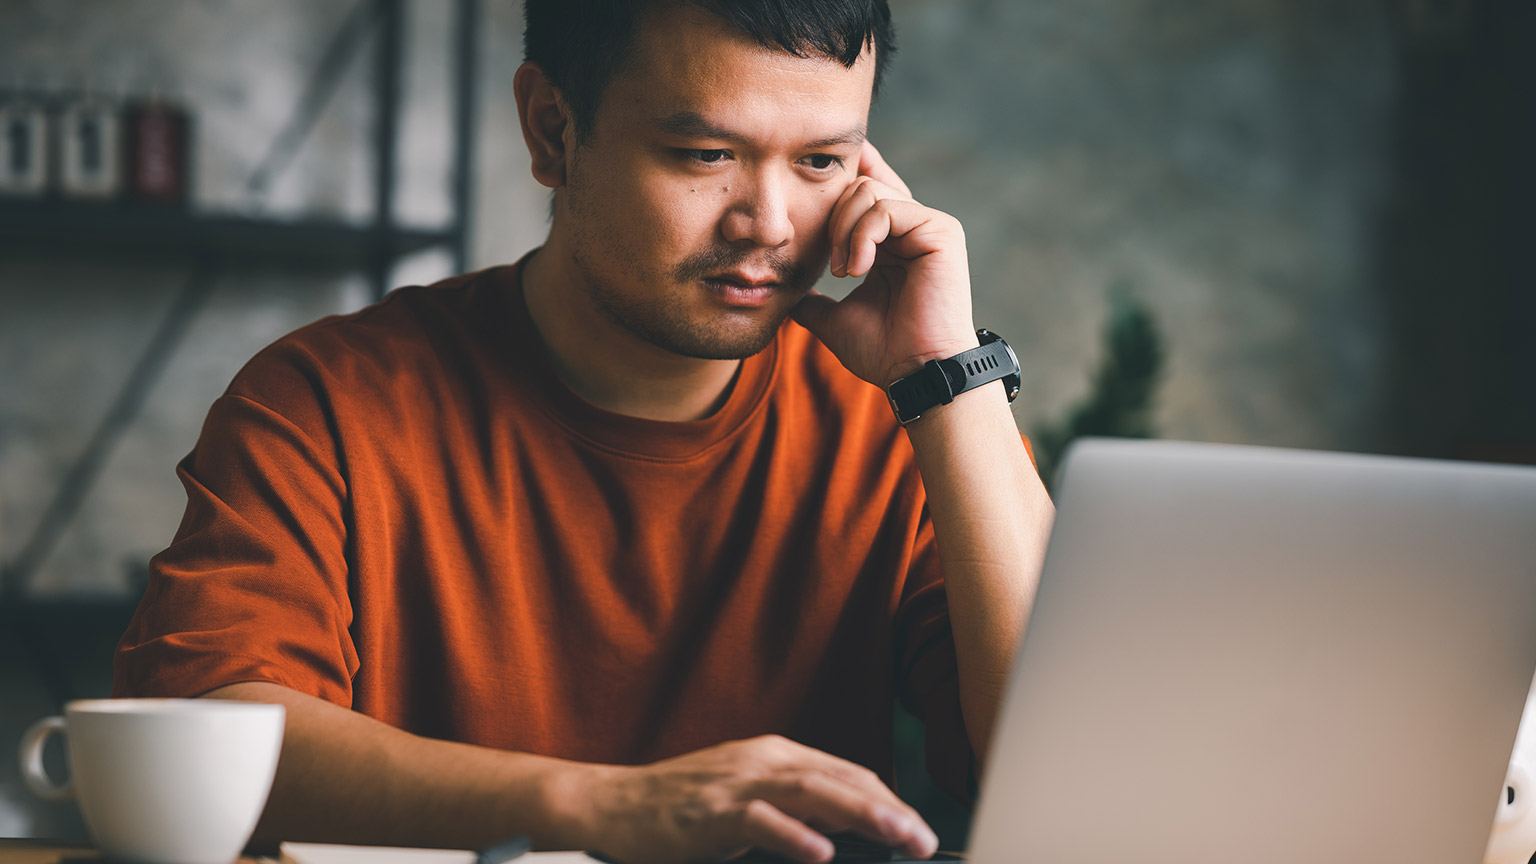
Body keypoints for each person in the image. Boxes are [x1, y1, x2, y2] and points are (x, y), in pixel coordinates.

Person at [112, 2, 1054, 862]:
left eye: (819, 161)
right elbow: (212, 736)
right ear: (552, 130)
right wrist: (592, 808)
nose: (769, 225)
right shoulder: (325, 400)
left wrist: (951, 379)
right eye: (704, 155)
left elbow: (1060, 771)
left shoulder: (904, 417)